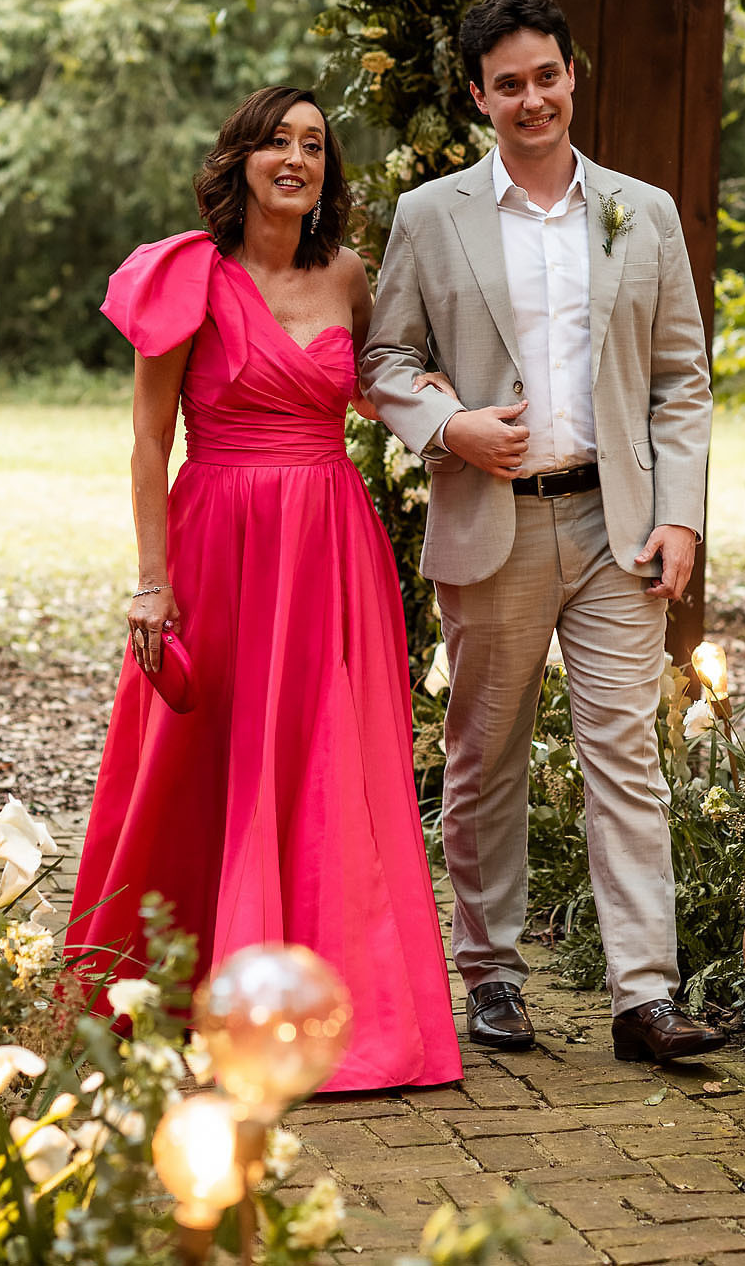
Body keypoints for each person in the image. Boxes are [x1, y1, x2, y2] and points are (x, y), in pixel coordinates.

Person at [66, 87, 461, 1092]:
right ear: (241, 157)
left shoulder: (350, 275)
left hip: (328, 546)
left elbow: (375, 383)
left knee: (329, 763)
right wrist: (150, 586)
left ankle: (340, 1006)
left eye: (315, 145)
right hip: (214, 542)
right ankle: (189, 981)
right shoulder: (185, 276)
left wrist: (454, 416)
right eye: (277, 141)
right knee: (203, 762)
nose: (296, 158)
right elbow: (150, 437)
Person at [359, 0, 725, 1066]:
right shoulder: (431, 217)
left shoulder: (640, 210)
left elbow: (679, 383)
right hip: (492, 524)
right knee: (484, 757)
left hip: (616, 529)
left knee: (625, 753)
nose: (532, 99)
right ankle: (493, 975)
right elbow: (380, 360)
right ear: (479, 96)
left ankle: (642, 996)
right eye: (507, 83)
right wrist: (450, 424)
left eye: (546, 76)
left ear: (573, 77)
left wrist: (680, 518)